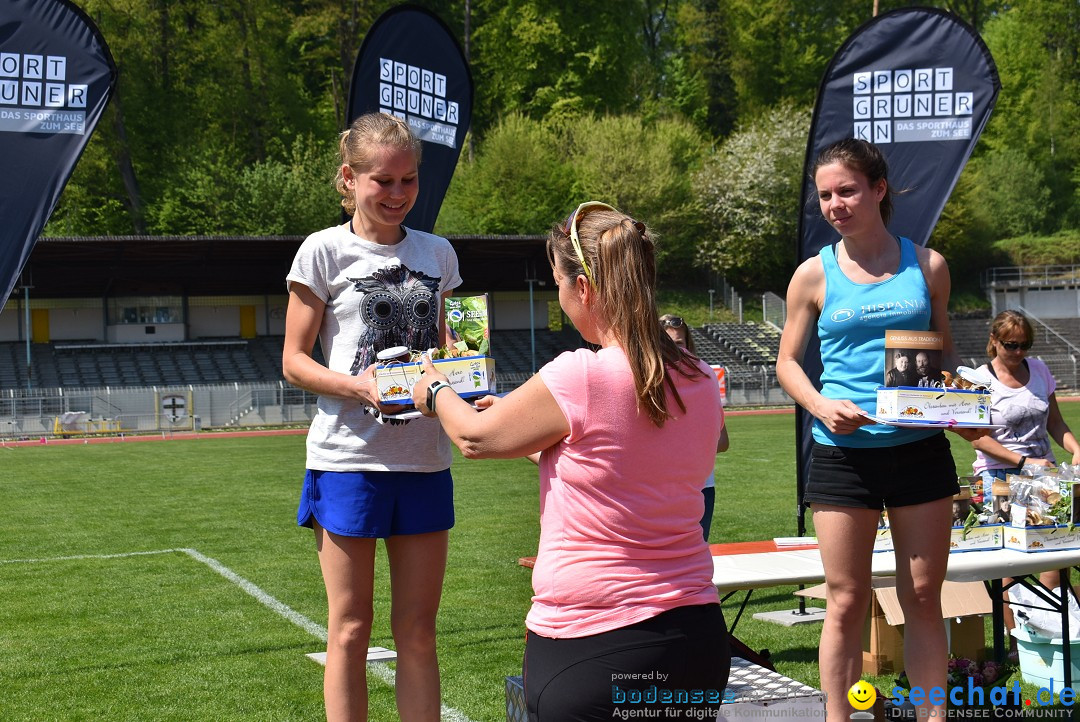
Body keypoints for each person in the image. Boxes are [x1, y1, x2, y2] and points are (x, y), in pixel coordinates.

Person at [412, 202, 730, 721]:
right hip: (696, 636)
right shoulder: (696, 373)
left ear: (582, 287)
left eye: (559, 280)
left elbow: (473, 438)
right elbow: (624, 458)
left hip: (594, 644)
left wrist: (436, 389)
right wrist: (535, 432)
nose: (560, 293)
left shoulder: (582, 373)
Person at [775, 138, 976, 722]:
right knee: (845, 601)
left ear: (878, 190)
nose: (835, 203)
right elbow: (787, 363)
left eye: (847, 190)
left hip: (919, 452)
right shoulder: (812, 276)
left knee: (921, 598)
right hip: (843, 455)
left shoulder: (929, 266)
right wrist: (820, 405)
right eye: (825, 195)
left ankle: (930, 717)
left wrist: (962, 395)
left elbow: (943, 356)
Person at [282, 112, 461, 722]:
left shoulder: (438, 253)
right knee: (351, 630)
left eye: (408, 180)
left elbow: (450, 351)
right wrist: (358, 386)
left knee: (418, 633)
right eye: (382, 181)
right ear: (348, 179)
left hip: (424, 461)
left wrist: (468, 387)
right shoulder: (322, 251)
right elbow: (293, 361)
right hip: (348, 461)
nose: (397, 194)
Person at [969, 309, 1080, 654]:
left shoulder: (1040, 370)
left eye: (1025, 345)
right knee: (1010, 562)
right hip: (997, 478)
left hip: (1043, 476)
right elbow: (976, 437)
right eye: (1011, 345)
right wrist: (1022, 461)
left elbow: (1055, 423)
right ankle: (1019, 642)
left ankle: (1057, 634)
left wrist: (1076, 448)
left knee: (1051, 553)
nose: (1018, 352)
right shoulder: (978, 379)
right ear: (994, 341)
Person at [660, 313, 731, 540]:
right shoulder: (646, 383)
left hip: (700, 487)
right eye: (667, 344)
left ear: (689, 344)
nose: (675, 351)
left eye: (679, 343)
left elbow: (723, 442)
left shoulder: (704, 380)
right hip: (658, 487)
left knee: (695, 552)